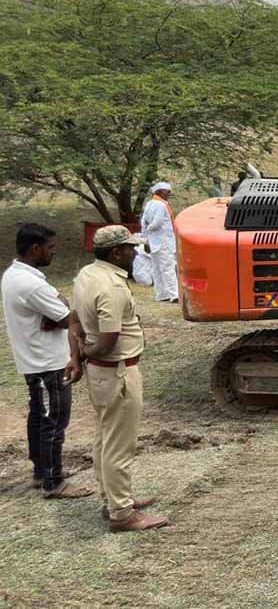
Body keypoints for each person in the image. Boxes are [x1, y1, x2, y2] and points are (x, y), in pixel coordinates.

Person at [69, 225, 166, 532]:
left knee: (104, 438)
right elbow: (108, 339)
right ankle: (122, 514)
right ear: (116, 252)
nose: (134, 252)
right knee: (119, 446)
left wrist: (78, 356)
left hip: (102, 373)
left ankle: (113, 498)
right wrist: (85, 353)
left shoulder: (87, 274)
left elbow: (73, 321)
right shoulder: (111, 286)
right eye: (129, 248)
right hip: (117, 372)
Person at [1, 224, 92, 499]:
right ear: (35, 248)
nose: (55, 252)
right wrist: (62, 311)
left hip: (37, 359)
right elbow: (69, 318)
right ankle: (53, 481)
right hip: (47, 362)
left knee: (40, 418)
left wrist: (58, 310)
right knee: (53, 421)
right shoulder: (30, 284)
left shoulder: (15, 274)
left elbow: (60, 312)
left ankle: (42, 471)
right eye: (50, 248)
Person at [140, 180, 178, 303]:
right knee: (168, 267)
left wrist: (146, 237)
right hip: (163, 241)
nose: (169, 194)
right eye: (167, 192)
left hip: (154, 241)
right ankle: (174, 294)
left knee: (157, 268)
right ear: (159, 192)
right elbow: (157, 223)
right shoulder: (161, 205)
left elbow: (143, 222)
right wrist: (149, 229)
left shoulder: (150, 204)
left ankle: (161, 294)